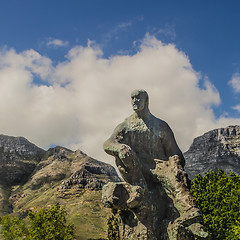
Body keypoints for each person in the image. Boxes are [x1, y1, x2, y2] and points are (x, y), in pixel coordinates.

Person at [103, 89, 184, 186]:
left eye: (138, 98)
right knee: (123, 151)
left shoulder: (161, 126)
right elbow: (108, 143)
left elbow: (175, 152)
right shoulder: (126, 125)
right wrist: (120, 148)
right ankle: (139, 189)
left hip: (160, 171)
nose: (134, 101)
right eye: (132, 98)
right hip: (136, 172)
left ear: (146, 101)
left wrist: (175, 167)